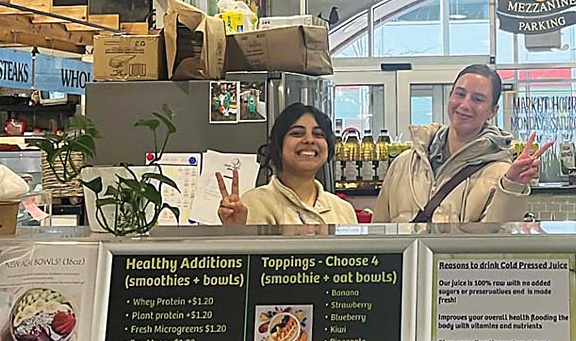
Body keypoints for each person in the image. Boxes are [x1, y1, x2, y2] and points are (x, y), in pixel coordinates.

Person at [374, 64, 552, 223]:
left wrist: (512, 186)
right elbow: (379, 235)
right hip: (408, 261)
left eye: (478, 99)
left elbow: (497, 243)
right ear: (450, 97)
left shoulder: (500, 173)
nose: (465, 105)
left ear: (492, 111)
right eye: (460, 94)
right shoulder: (403, 165)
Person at [217, 103, 357, 225]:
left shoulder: (343, 210)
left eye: (318, 134)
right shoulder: (253, 204)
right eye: (297, 133)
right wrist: (236, 231)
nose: (309, 140)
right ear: (279, 146)